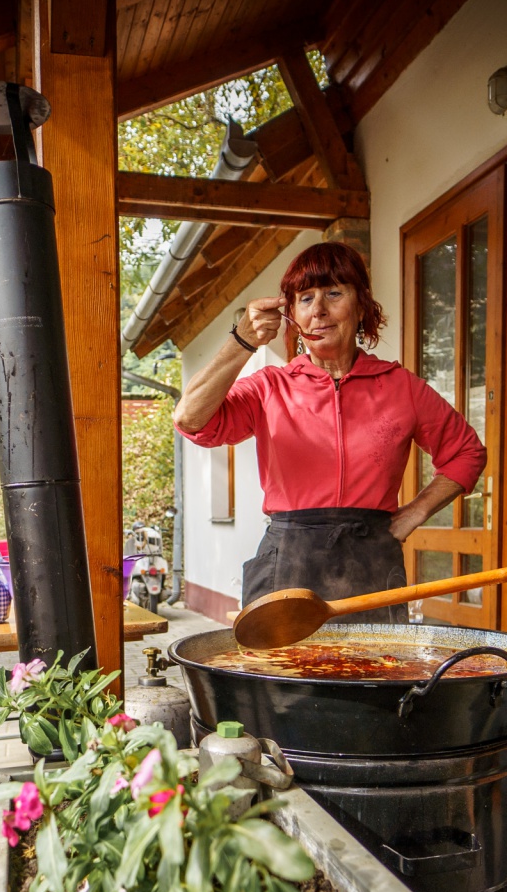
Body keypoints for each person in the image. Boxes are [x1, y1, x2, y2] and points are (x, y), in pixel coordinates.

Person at [174, 241, 486, 619]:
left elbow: (466, 452)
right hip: (288, 560)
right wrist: (242, 342)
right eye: (305, 299)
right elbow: (191, 420)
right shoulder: (270, 387)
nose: (318, 310)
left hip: (372, 560)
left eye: (334, 293)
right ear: (292, 316)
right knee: (280, 660)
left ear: (362, 305)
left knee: (374, 659)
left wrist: (414, 513)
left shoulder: (402, 387)